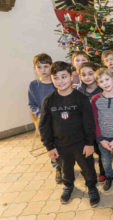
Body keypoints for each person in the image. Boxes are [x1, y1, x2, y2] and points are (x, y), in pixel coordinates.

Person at [39, 61, 100, 207]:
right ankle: (68, 186)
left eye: (64, 76)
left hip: (82, 144)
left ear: (71, 77)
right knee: (65, 168)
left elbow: (89, 123)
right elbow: (44, 126)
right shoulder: (49, 101)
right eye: (56, 77)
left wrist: (90, 143)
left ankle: (91, 187)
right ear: (52, 79)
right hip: (60, 145)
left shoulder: (82, 98)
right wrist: (49, 147)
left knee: (88, 168)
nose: (60, 81)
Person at [28, 53, 61, 184]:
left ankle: (66, 163)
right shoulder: (33, 85)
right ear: (34, 69)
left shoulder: (57, 82)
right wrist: (40, 114)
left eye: (46, 66)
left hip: (60, 119)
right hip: (46, 122)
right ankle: (57, 167)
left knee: (62, 142)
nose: (43, 70)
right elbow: (32, 104)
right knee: (51, 144)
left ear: (51, 66)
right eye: (39, 67)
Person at [76, 62, 106, 183]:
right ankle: (89, 173)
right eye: (83, 74)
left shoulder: (103, 88)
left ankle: (103, 170)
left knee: (101, 151)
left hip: (100, 128)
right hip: (85, 129)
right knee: (87, 152)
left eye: (90, 73)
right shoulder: (78, 91)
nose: (87, 77)